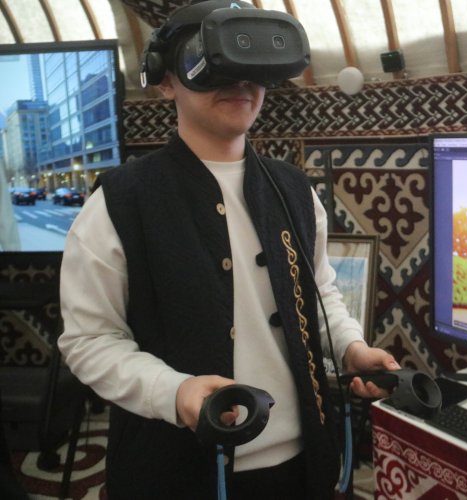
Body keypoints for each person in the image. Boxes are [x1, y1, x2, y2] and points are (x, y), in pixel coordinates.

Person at [57, 2, 398, 498]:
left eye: (253, 65)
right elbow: (88, 341)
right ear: (165, 80)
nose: (241, 81)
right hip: (175, 473)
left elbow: (319, 292)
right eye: (215, 63)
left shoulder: (295, 190)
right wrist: (174, 391)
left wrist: (351, 348)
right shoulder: (119, 202)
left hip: (304, 464)